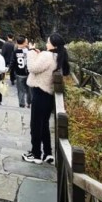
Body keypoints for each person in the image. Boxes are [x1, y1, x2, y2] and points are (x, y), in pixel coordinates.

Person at [23, 32, 70, 164]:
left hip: (40, 93)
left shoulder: (47, 55)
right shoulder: (57, 57)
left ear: (53, 45)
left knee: (36, 124)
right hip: (49, 96)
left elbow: (32, 68)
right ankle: (48, 153)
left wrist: (31, 52)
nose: (46, 44)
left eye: (48, 42)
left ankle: (36, 154)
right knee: (44, 125)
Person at [10, 36, 32, 109]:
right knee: (29, 90)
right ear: (24, 43)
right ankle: (29, 103)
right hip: (28, 74)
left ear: (17, 43)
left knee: (21, 91)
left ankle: (21, 104)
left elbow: (12, 64)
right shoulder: (28, 51)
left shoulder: (15, 52)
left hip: (19, 74)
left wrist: (11, 74)